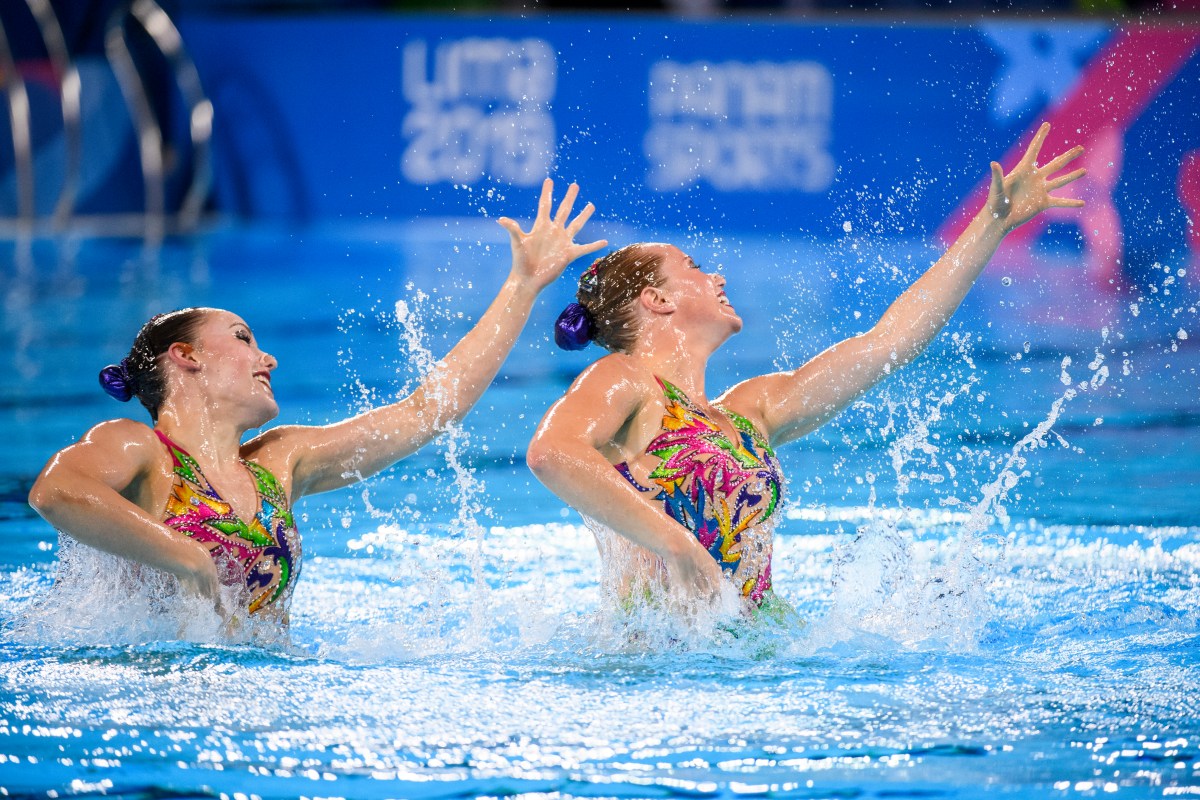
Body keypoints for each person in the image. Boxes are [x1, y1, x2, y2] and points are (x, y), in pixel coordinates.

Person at [526, 123, 1086, 618]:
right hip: (652, 671)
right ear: (657, 301)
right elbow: (552, 454)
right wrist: (675, 544)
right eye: (693, 268)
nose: (716, 277)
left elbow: (887, 343)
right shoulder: (624, 380)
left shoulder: (750, 412)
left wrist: (992, 225)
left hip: (749, 654)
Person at [28, 179, 606, 626]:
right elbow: (55, 491)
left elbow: (428, 410)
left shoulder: (279, 463)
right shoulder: (136, 448)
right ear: (186, 357)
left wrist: (522, 285)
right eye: (242, 339)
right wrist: (182, 554)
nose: (268, 358)